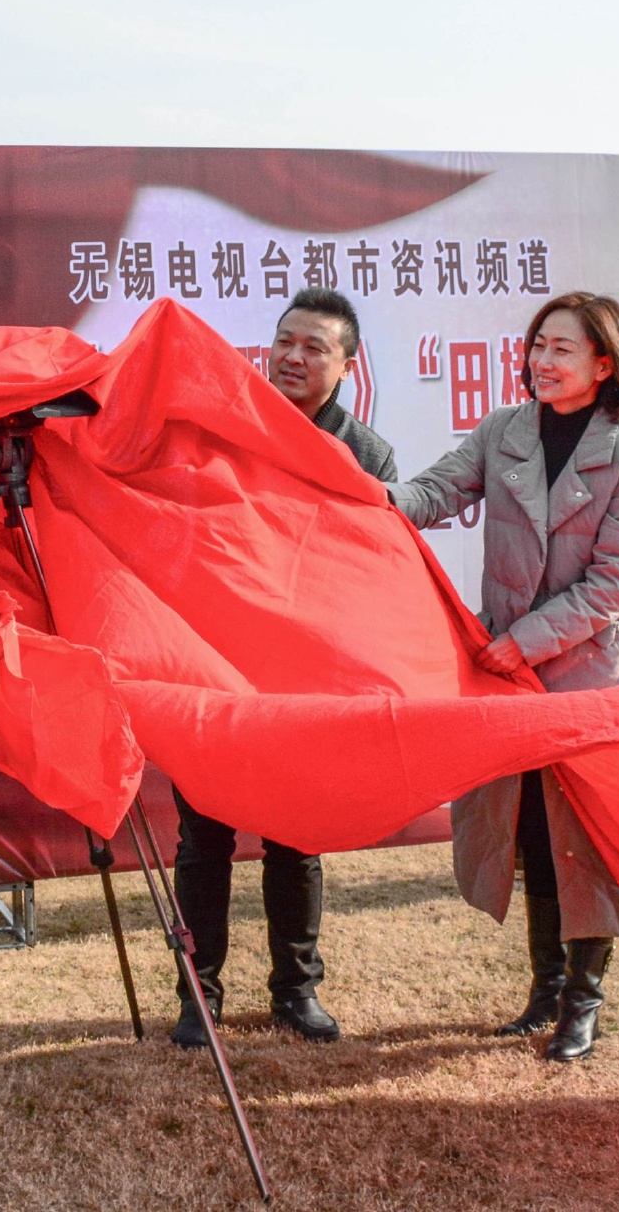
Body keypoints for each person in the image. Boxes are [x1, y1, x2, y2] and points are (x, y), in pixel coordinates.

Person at [388, 291, 619, 1063]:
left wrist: (524, 643)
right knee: (531, 832)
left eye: (563, 349)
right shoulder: (505, 430)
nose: (544, 360)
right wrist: (377, 502)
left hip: (593, 670)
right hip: (513, 672)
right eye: (539, 345)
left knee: (586, 840)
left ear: (604, 365)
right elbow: (435, 491)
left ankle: (583, 1000)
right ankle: (543, 990)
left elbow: (613, 585)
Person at [171, 286, 396, 1051]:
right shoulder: (223, 427)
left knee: (296, 838)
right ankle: (197, 997)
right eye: (284, 341)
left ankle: (296, 993)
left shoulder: (367, 457)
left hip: (303, 678)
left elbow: (373, 576)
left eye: (314, 348)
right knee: (203, 836)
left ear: (347, 364)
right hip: (215, 661)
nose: (293, 358)